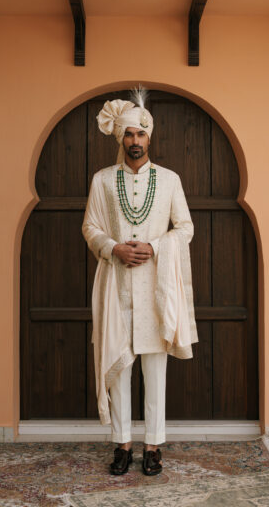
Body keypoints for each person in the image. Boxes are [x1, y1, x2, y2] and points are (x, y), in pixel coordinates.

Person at [82, 87, 198, 476]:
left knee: (154, 369)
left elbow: (185, 227)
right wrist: (113, 248)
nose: (135, 141)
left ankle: (153, 446)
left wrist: (155, 246)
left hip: (155, 288)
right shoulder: (102, 181)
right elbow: (90, 226)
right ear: (120, 137)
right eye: (129, 134)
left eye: (141, 134)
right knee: (119, 366)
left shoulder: (168, 180)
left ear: (150, 136)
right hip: (115, 285)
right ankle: (122, 444)